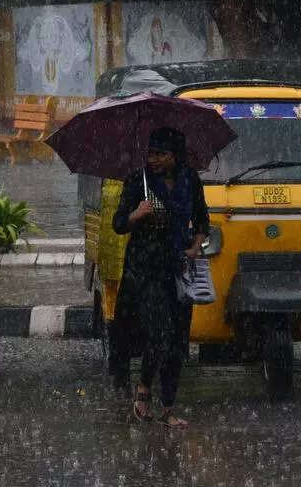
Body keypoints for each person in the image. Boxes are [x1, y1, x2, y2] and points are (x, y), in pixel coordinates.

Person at [111, 128, 209, 428]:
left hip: (178, 270)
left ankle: (168, 407)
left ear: (175, 156)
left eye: (160, 154)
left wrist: (195, 246)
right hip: (145, 272)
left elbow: (203, 220)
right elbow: (118, 224)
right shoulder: (137, 182)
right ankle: (142, 390)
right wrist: (136, 215)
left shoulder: (190, 180)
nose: (153, 159)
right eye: (150, 153)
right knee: (159, 333)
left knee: (179, 340)